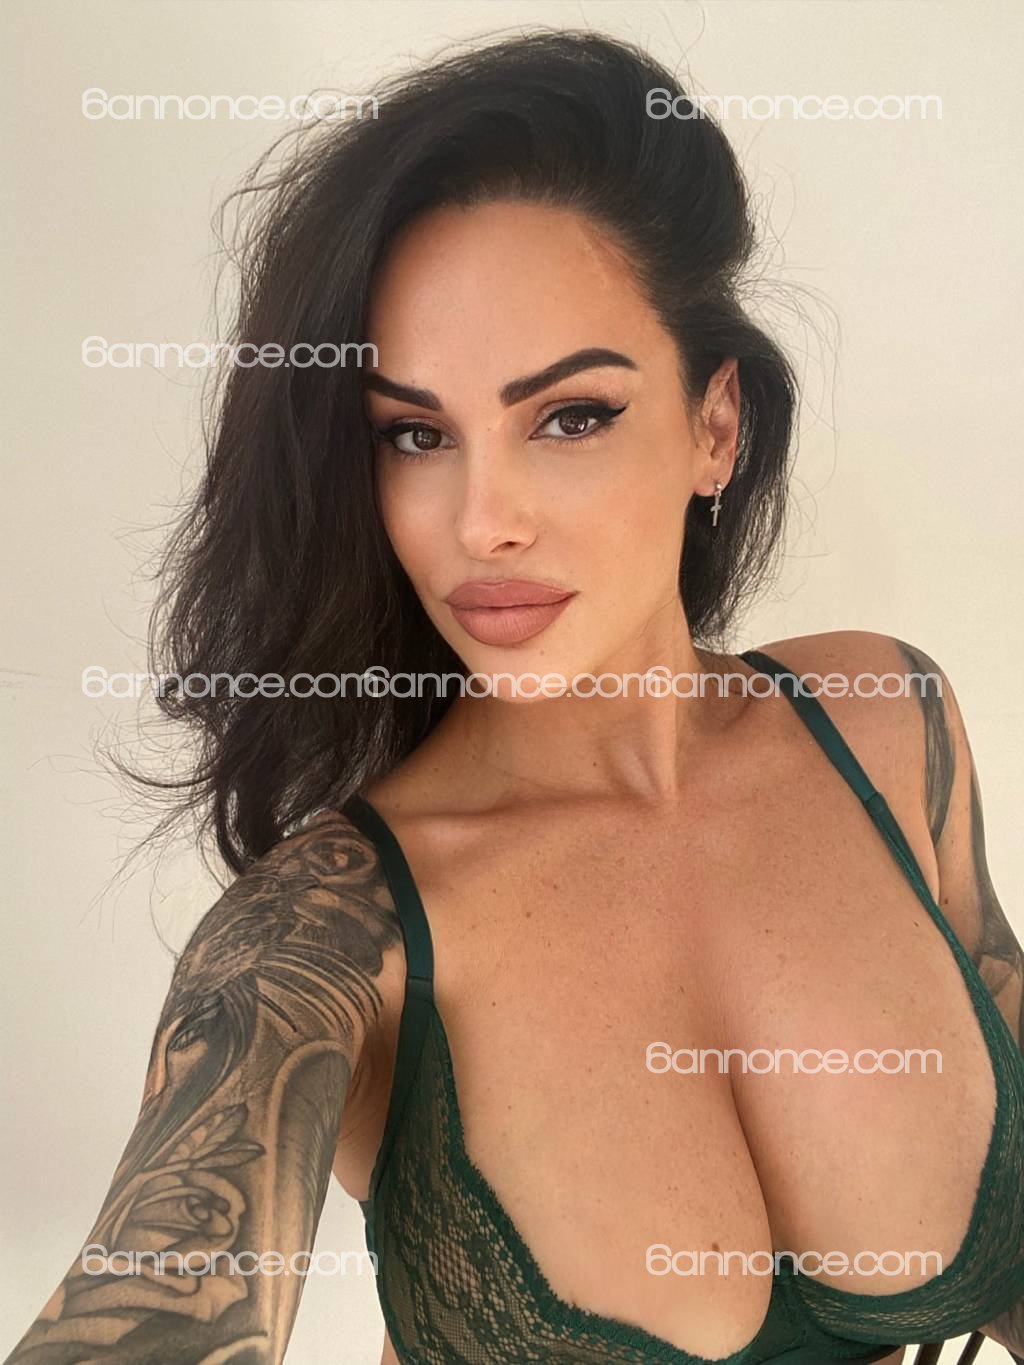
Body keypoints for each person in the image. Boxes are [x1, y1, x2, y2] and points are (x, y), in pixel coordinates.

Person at [9, 29, 1024, 1365]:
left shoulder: (886, 723)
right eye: (416, 434)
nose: (483, 520)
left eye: (570, 416)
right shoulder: (321, 945)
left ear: (715, 425)